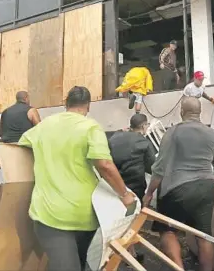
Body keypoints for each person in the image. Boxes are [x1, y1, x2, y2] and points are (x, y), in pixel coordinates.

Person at [18, 86, 135, 271]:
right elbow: (104, 164)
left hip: (50, 213)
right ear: (88, 106)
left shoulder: (44, 125)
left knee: (70, 265)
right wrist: (124, 194)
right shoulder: (90, 127)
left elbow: (20, 148)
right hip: (84, 214)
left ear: (66, 103)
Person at [143, 97, 214, 271]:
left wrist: (149, 193)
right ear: (200, 112)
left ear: (182, 111)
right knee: (204, 235)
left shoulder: (173, 132)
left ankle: (178, 268)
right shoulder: (213, 134)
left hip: (177, 189)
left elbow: (159, 168)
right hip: (206, 189)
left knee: (167, 230)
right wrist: (206, 182)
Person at [108, 113, 157, 263]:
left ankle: (128, 254)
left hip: (113, 187)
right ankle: (129, 257)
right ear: (143, 126)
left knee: (116, 222)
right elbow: (151, 167)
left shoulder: (114, 138)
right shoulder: (143, 141)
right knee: (132, 223)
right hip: (134, 188)